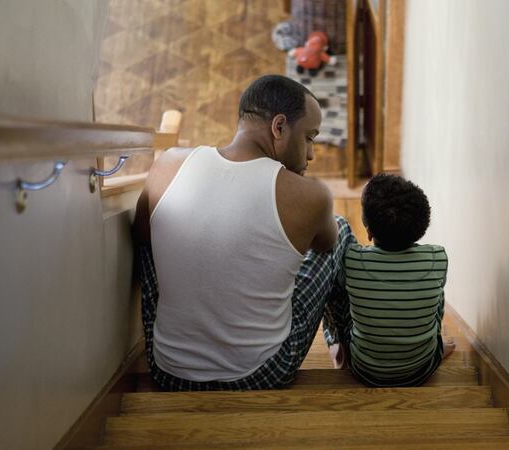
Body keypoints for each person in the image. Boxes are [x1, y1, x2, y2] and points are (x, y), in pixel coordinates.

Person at [132, 75, 356, 390]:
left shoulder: (169, 163)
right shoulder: (310, 196)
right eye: (309, 137)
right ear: (279, 127)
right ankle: (346, 345)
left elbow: (142, 236)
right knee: (341, 229)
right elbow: (325, 244)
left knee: (159, 229)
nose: (310, 155)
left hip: (168, 371)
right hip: (262, 374)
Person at [325, 174, 454, 387]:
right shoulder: (437, 257)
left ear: (368, 231)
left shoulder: (353, 259)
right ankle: (435, 347)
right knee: (435, 297)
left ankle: (338, 347)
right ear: (420, 228)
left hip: (364, 370)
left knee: (340, 293)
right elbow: (436, 311)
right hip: (421, 370)